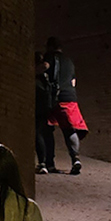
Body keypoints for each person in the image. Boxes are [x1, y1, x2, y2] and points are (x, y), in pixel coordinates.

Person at [43, 37, 88, 174]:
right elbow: (73, 82)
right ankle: (75, 159)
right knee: (70, 130)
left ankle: (49, 162)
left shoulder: (49, 58)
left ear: (49, 47)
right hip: (70, 97)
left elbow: (44, 69)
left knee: (47, 130)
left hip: (53, 98)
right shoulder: (69, 61)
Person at [35, 53, 59, 175]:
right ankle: (48, 163)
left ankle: (42, 163)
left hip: (38, 109)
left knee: (37, 134)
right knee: (46, 134)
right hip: (47, 108)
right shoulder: (47, 75)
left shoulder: (36, 76)